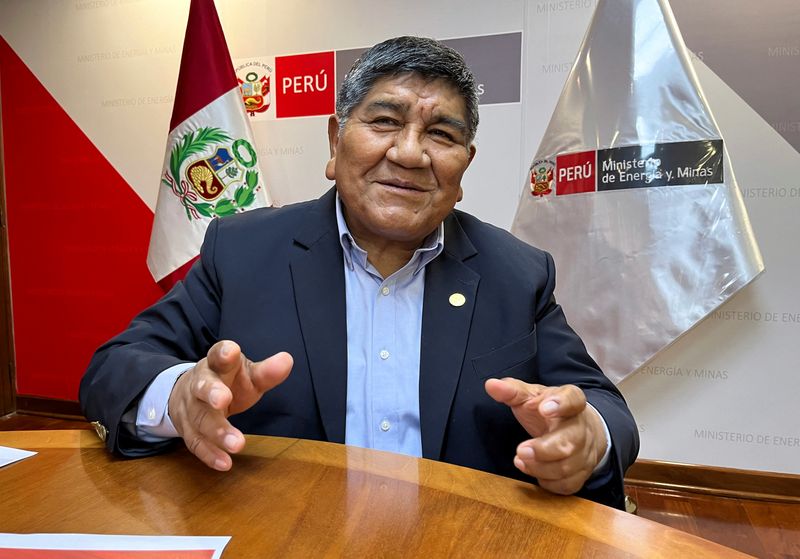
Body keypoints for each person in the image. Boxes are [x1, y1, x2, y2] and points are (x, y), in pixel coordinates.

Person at [80, 36, 638, 509]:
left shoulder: (517, 273)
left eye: (441, 135)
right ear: (334, 140)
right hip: (282, 533)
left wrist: (589, 436)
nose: (410, 153)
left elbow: (603, 406)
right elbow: (116, 368)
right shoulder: (244, 250)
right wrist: (179, 395)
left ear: (464, 165)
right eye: (384, 121)